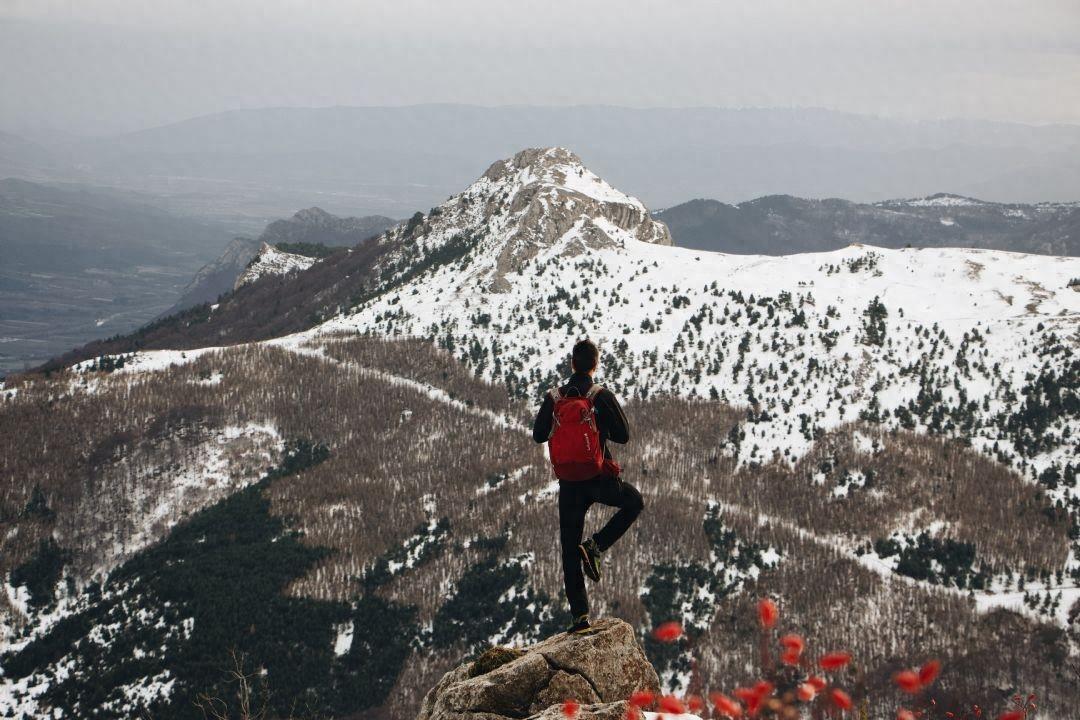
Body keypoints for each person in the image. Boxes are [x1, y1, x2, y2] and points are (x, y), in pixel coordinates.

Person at [532, 338, 644, 633]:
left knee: (569, 546)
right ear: (595, 365)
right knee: (634, 502)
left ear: (572, 364)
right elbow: (623, 436)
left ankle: (580, 617)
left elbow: (538, 435)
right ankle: (596, 545)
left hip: (568, 482)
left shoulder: (554, 398)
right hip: (598, 478)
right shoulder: (599, 395)